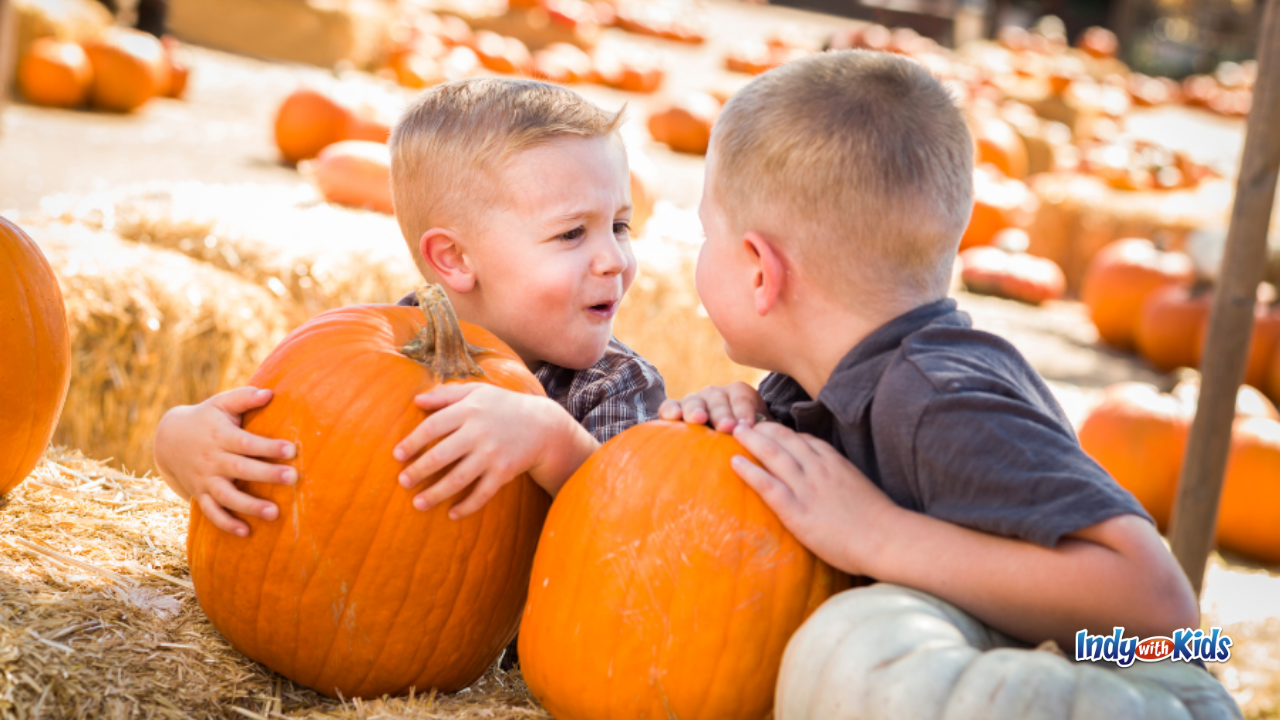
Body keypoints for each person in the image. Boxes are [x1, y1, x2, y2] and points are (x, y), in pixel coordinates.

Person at [660, 50, 1198, 651]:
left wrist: (878, 535)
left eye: (709, 233)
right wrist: (741, 435)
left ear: (761, 273)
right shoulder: (810, 382)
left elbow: (1161, 609)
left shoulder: (938, 399)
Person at [155, 78, 664, 538]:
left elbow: (639, 532)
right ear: (455, 258)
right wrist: (179, 442)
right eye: (572, 232)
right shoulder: (369, 351)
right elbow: (273, 457)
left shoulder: (615, 386)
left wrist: (553, 443)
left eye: (621, 226)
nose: (614, 259)